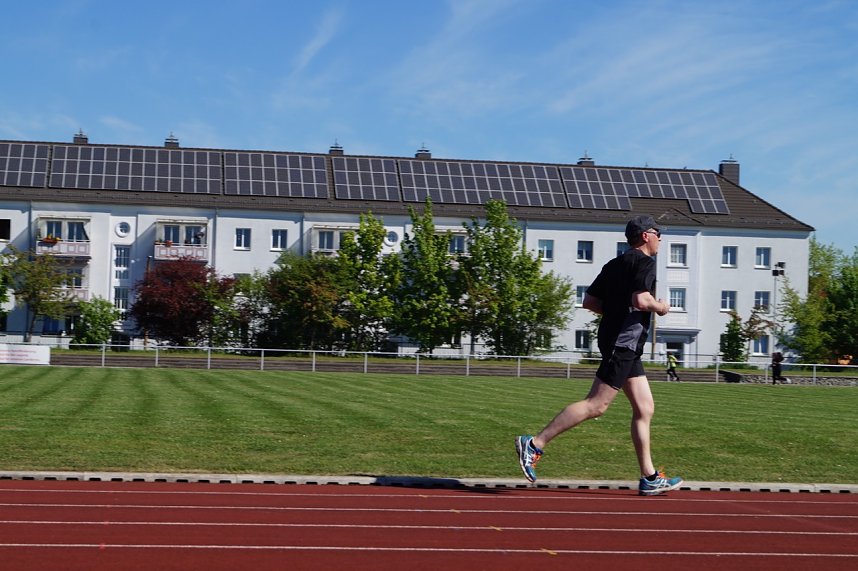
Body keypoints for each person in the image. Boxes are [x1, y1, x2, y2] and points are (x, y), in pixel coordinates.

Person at [516, 215, 683, 496]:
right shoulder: (644, 262)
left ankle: (650, 477)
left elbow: (590, 302)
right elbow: (641, 300)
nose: (661, 239)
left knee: (645, 408)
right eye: (658, 233)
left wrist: (618, 314)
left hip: (620, 341)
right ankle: (535, 443)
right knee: (597, 405)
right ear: (645, 236)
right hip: (623, 342)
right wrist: (661, 307)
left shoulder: (615, 264)